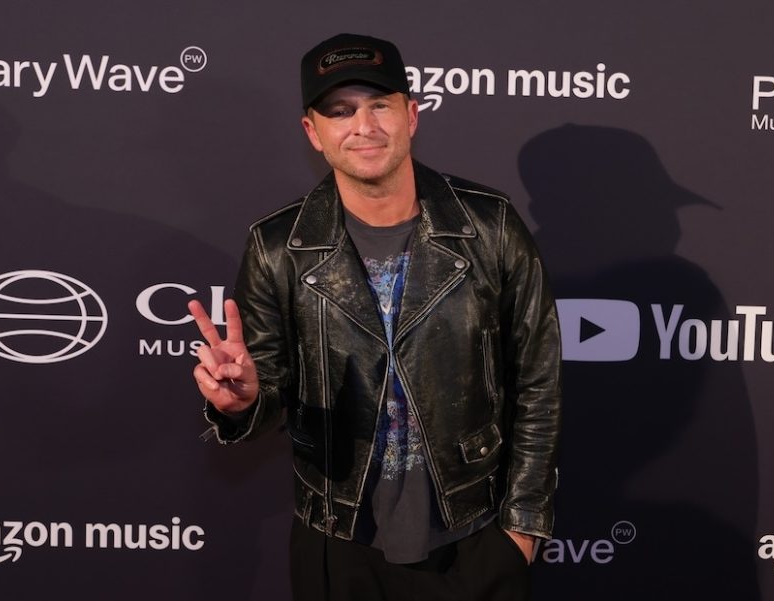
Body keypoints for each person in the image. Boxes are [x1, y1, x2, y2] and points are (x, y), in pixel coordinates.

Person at [189, 33, 561, 601]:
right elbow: (268, 389)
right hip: (335, 540)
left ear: (411, 115)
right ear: (313, 132)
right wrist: (242, 402)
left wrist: (522, 530)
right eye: (340, 111)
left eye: (379, 105)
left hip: (473, 535)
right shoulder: (277, 246)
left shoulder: (490, 227)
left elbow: (538, 381)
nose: (363, 126)